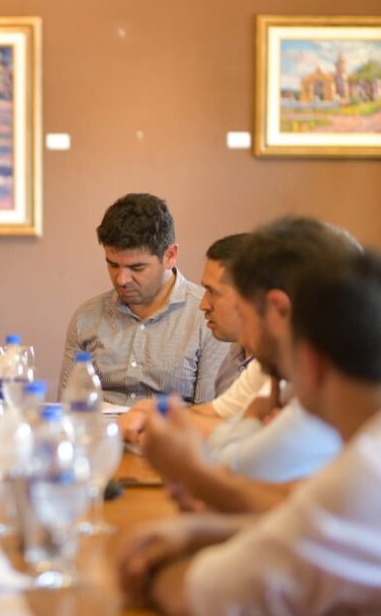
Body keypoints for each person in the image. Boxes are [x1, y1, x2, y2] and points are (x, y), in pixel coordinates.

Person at [119, 248, 381, 615]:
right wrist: (201, 532)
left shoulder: (365, 476)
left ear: (310, 362)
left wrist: (147, 569)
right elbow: (297, 511)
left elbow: (202, 595)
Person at [139, 217, 350, 512]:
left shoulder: (323, 399)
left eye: (245, 312)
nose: (245, 335)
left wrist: (247, 423)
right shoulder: (294, 382)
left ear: (278, 310)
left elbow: (235, 465)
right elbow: (288, 506)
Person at [59, 193, 231, 405]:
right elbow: (68, 406)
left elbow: (213, 412)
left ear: (170, 256)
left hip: (172, 426)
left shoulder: (208, 317)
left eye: (137, 267)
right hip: (97, 426)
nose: (121, 280)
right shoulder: (86, 318)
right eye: (113, 265)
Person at [118, 233, 269, 443]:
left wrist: (157, 418)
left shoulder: (284, 370)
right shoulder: (237, 352)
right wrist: (155, 410)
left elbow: (248, 435)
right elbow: (218, 414)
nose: (203, 304)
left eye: (213, 292)